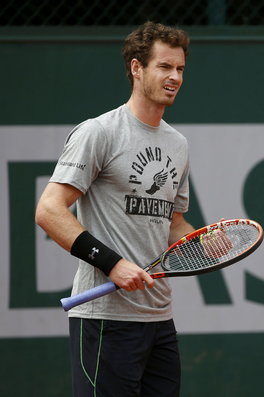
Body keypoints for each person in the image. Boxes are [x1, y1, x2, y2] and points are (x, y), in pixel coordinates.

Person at [35, 21, 194, 396]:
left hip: (159, 319)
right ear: (137, 68)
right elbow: (49, 211)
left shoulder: (179, 144)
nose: (175, 77)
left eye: (181, 69)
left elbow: (172, 222)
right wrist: (113, 263)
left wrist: (202, 243)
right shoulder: (99, 132)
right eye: (165, 67)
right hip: (106, 318)